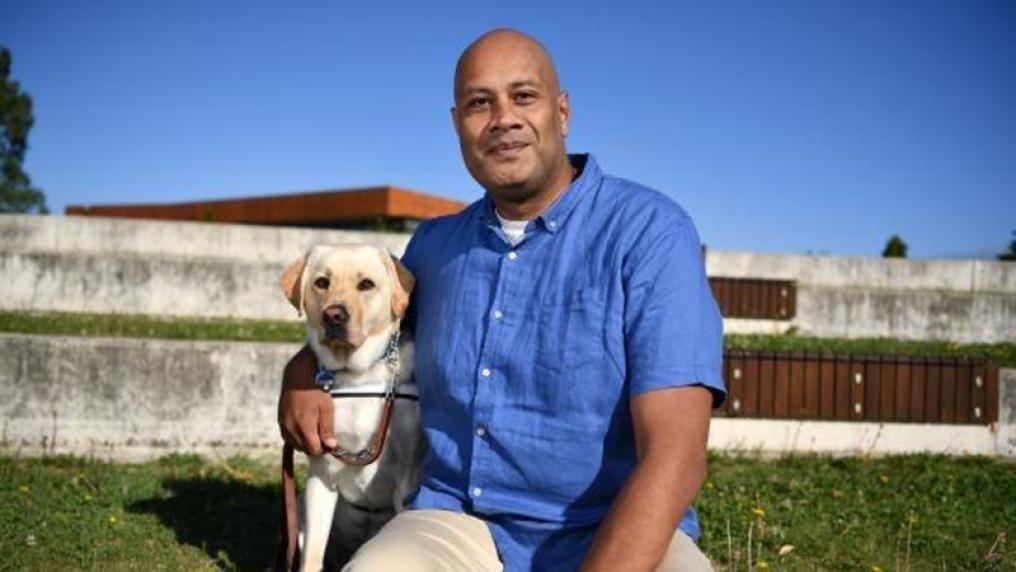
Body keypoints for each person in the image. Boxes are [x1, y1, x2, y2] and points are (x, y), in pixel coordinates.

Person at [279, 28, 725, 572]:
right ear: (457, 126)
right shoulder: (433, 247)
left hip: (614, 525)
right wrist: (302, 373)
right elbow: (366, 329)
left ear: (562, 112)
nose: (503, 118)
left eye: (524, 96)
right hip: (457, 523)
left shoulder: (650, 233)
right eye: (479, 103)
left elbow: (675, 458)